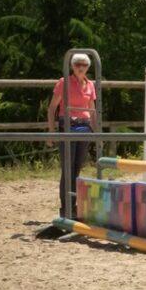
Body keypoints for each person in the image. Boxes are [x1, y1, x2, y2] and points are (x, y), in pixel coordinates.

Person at [48, 53, 98, 218]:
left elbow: (92, 110)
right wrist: (51, 132)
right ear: (72, 66)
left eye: (84, 64)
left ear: (88, 67)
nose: (80, 67)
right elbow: (52, 108)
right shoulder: (64, 82)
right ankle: (66, 207)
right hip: (68, 126)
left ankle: (74, 206)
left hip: (84, 127)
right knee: (67, 168)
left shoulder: (90, 85)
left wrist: (96, 133)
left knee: (77, 168)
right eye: (77, 64)